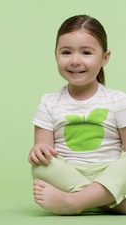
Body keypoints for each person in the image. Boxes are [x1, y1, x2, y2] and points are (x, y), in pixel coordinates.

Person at [28, 15, 126, 215]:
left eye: (86, 52)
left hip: (111, 171)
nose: (75, 60)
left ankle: (74, 201)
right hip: (69, 174)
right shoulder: (49, 101)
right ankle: (108, 200)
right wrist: (37, 151)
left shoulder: (118, 100)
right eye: (66, 52)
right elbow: (44, 149)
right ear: (56, 55)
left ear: (105, 57)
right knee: (40, 167)